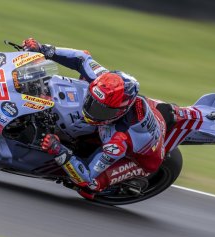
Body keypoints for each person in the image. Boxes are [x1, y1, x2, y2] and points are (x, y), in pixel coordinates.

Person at [22, 38, 167, 198]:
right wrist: (43, 49)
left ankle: (124, 184)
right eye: (92, 102)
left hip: (144, 159)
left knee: (89, 186)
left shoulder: (118, 141)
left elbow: (86, 177)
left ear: (120, 111)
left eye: (102, 111)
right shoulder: (105, 81)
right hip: (134, 120)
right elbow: (81, 58)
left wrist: (58, 149)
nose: (92, 112)